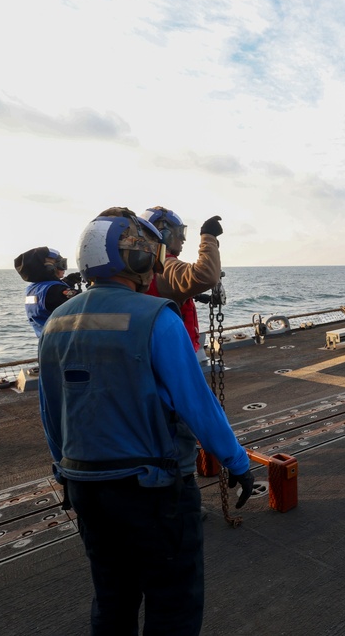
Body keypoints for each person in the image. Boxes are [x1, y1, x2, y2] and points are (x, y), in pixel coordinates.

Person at [38, 207, 255, 635]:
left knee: (112, 600)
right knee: (173, 603)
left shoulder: (55, 323)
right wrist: (237, 461)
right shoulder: (157, 318)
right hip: (153, 491)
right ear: (136, 258)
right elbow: (198, 406)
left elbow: (51, 412)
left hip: (86, 487)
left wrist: (64, 473)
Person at [140, 207, 223, 352]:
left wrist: (194, 294)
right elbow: (205, 275)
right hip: (174, 353)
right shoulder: (165, 265)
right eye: (179, 232)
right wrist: (208, 236)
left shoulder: (142, 266)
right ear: (163, 234)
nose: (182, 239)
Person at [14, 246, 82, 337]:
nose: (64, 269)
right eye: (61, 265)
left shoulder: (31, 289)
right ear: (50, 268)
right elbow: (85, 302)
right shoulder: (55, 290)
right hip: (64, 343)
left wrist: (68, 283)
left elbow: (51, 301)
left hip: (46, 341)